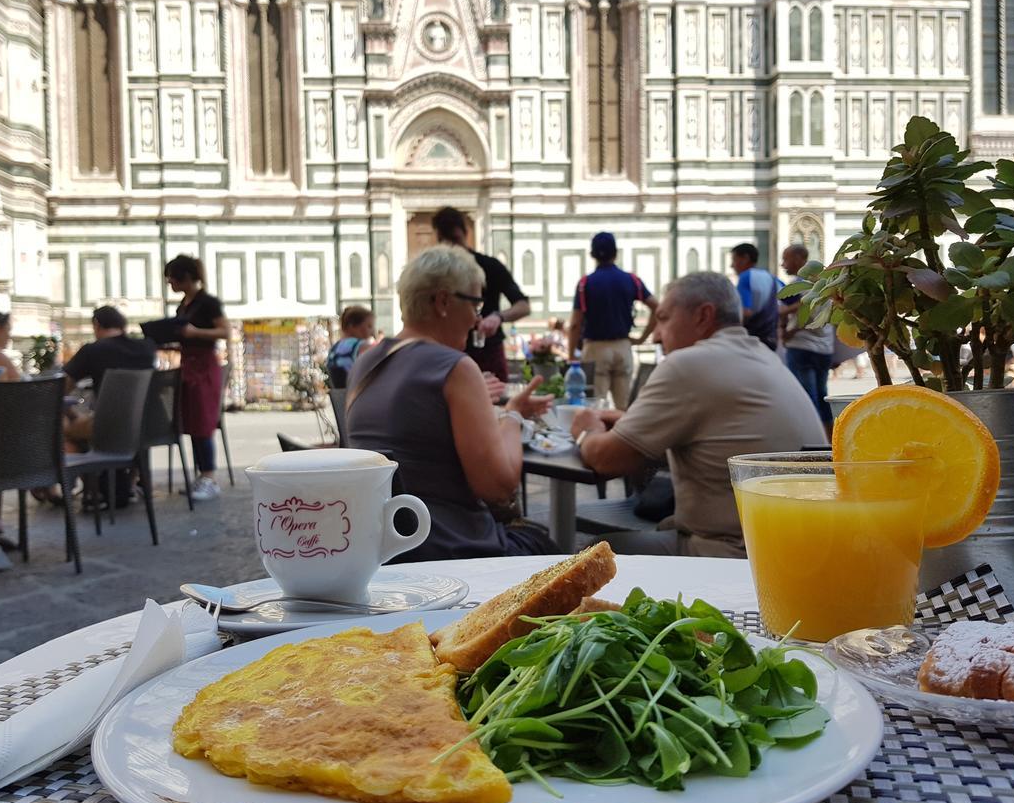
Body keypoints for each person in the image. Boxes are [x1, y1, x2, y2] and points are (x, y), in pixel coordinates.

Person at [569, 272, 826, 558]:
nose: (655, 334)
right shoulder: (763, 356)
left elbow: (607, 459)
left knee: (589, 558)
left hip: (733, 554)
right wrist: (628, 422)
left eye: (664, 318)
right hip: (798, 549)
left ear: (703, 315)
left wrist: (585, 429)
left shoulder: (687, 363)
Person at [347, 244, 556, 561]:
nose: (477, 318)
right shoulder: (455, 367)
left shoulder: (366, 362)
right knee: (548, 547)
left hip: (383, 549)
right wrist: (513, 416)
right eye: (476, 303)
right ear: (443, 301)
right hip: (454, 549)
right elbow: (499, 487)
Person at [432, 207, 530, 382]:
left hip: (487, 350)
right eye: (444, 242)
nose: (451, 248)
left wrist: (498, 317)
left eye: (455, 240)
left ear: (466, 233)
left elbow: (523, 305)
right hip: (448, 352)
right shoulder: (436, 272)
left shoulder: (490, 265)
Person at [566, 232, 659, 408]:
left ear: (592, 254)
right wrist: (641, 337)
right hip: (623, 346)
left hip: (595, 348)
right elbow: (657, 307)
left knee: (595, 405)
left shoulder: (585, 283)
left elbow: (575, 324)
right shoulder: (631, 280)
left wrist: (572, 355)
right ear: (615, 253)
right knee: (624, 407)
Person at [165, 255, 231, 502]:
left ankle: (210, 477)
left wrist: (195, 332)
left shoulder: (207, 302)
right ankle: (201, 476)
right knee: (192, 422)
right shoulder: (183, 304)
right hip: (188, 364)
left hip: (204, 367)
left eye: (172, 277)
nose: (169, 282)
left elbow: (225, 331)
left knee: (203, 421)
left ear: (184, 276)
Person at [62, 305, 157, 446]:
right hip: (149, 424)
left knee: (62, 427)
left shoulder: (93, 350)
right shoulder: (147, 348)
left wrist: (72, 415)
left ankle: (84, 466)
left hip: (109, 426)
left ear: (96, 324)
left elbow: (60, 389)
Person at [779, 244, 835, 429]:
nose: (783, 264)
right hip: (824, 347)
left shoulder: (801, 284)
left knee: (807, 397)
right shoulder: (825, 282)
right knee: (821, 395)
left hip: (802, 347)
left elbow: (802, 308)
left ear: (798, 258)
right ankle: (828, 439)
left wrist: (788, 331)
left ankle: (814, 440)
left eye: (786, 259)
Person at [731, 243, 781, 351]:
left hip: (752, 341)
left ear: (745, 258)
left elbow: (746, 312)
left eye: (734, 260)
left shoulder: (745, 277)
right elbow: (796, 301)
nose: (732, 265)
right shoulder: (771, 277)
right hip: (771, 339)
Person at [325, 305, 375, 388]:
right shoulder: (360, 346)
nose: (372, 331)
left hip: (340, 397)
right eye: (369, 326)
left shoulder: (334, 348)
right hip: (358, 395)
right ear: (352, 326)